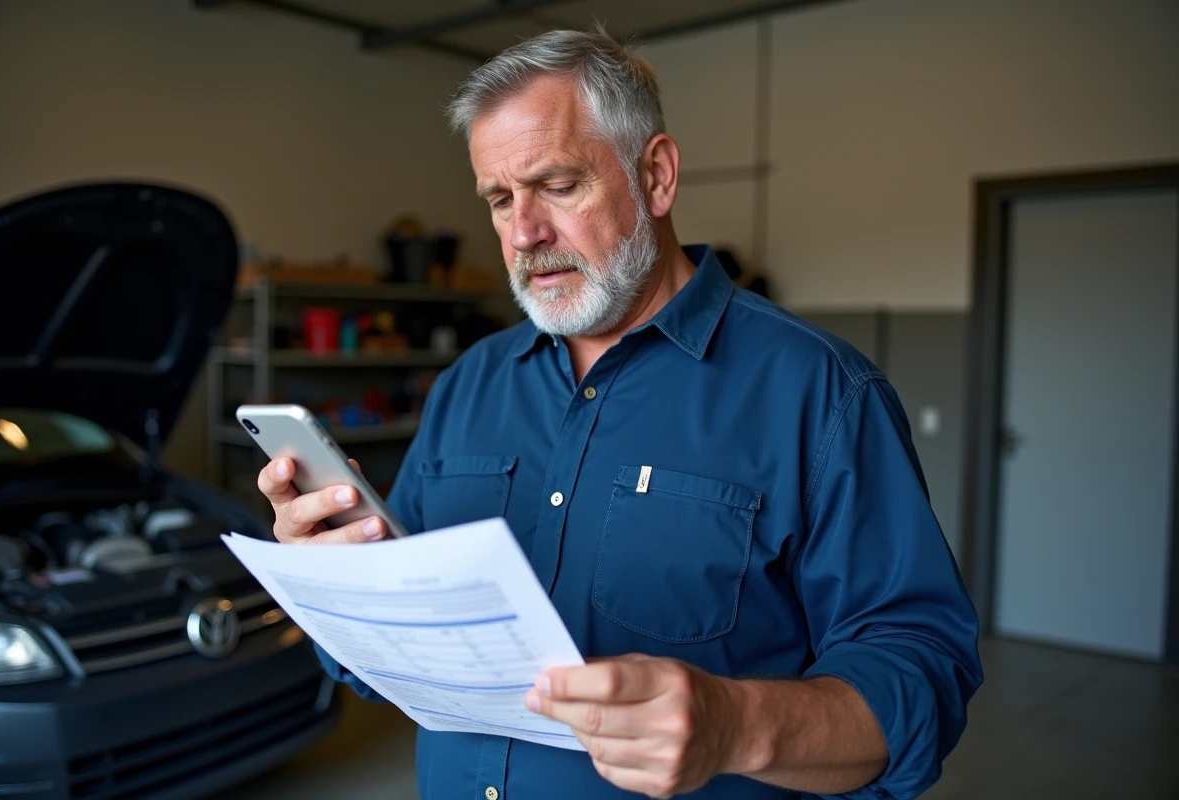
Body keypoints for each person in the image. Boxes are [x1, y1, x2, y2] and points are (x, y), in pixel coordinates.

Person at [256, 27, 982, 800]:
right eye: (500, 199)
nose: (524, 233)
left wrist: (737, 726)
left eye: (558, 185)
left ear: (656, 176)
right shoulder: (470, 383)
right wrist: (337, 581)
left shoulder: (821, 393)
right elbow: (397, 650)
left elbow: (920, 672)